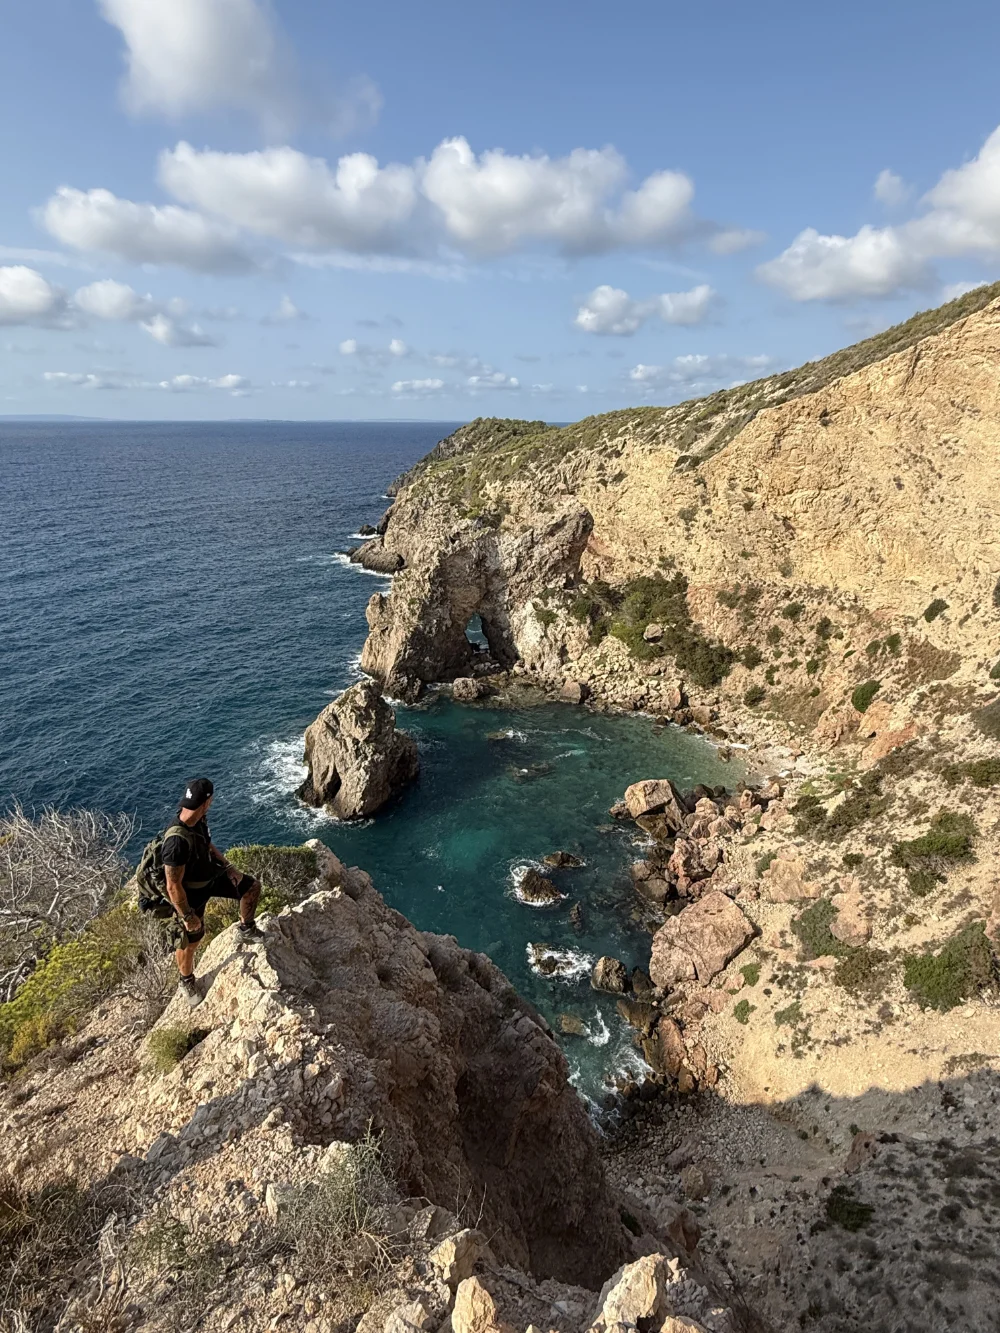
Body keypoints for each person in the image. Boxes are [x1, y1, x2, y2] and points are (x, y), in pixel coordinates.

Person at [162, 777, 262, 1008]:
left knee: (251, 888)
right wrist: (187, 915)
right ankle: (186, 981)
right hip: (191, 893)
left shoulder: (198, 819)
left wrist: (230, 868)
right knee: (191, 940)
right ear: (207, 801)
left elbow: (207, 844)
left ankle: (246, 929)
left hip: (211, 877)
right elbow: (172, 885)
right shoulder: (176, 841)